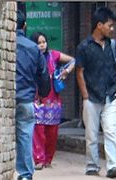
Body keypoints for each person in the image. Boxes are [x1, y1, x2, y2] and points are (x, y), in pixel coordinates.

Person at [76, 6, 116, 178]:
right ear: (99, 25)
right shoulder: (84, 47)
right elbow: (80, 71)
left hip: (111, 94)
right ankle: (92, 165)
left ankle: (114, 165)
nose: (112, 29)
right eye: (109, 25)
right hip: (92, 95)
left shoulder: (112, 45)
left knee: (111, 130)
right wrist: (85, 96)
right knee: (91, 134)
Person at [15, 11, 51, 180]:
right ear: (24, 26)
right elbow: (43, 76)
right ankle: (25, 177)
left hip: (5, 99)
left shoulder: (5, 46)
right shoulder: (33, 48)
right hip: (26, 99)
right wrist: (43, 94)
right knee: (25, 136)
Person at [31, 32, 75, 169]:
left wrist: (66, 71)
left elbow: (73, 60)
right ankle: (39, 159)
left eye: (43, 42)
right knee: (38, 130)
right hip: (37, 98)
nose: (42, 45)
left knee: (52, 131)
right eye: (39, 43)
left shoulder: (53, 55)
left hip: (53, 100)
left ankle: (48, 159)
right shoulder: (32, 57)